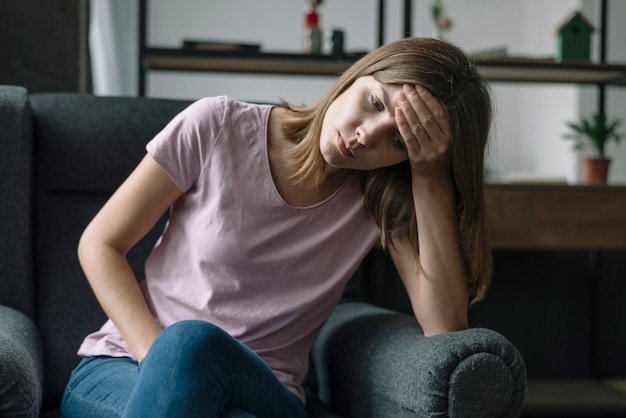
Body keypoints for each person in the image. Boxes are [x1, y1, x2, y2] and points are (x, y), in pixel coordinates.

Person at [61, 36, 493, 418]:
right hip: (125, 368)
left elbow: (444, 325)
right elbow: (100, 243)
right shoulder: (217, 126)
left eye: (399, 141)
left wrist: (431, 177)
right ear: (358, 74)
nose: (365, 136)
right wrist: (162, 359)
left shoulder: (381, 200)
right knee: (189, 345)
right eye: (376, 102)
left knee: (196, 349)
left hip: (262, 390)